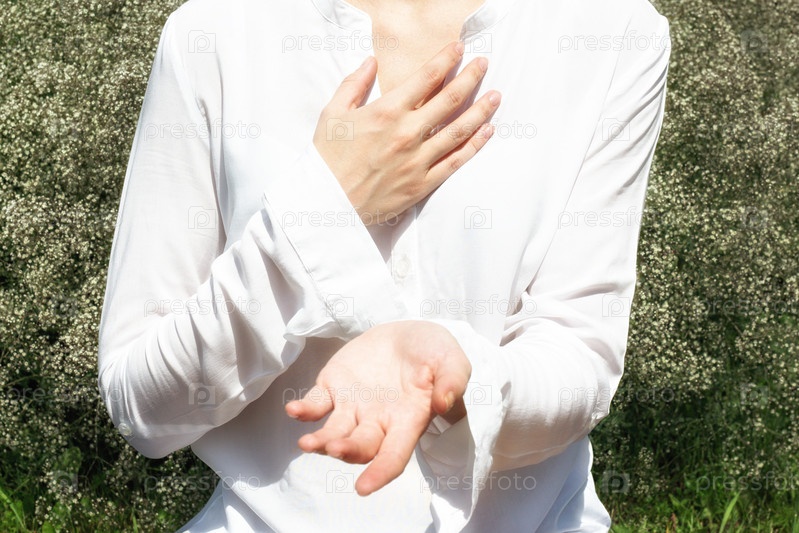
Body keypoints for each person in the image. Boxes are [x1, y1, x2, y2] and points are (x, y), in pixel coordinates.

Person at [97, 0, 671, 530]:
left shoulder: (611, 30)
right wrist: (323, 210)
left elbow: (581, 361)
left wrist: (463, 372)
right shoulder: (215, 30)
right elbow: (142, 408)